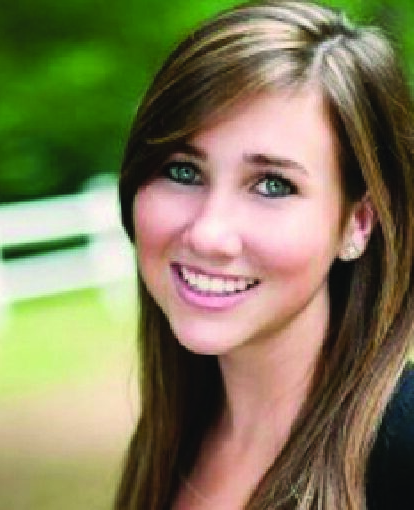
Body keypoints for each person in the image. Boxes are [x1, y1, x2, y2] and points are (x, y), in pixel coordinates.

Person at [115, 1, 414, 508]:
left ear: (358, 223)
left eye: (273, 184)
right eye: (184, 171)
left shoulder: (403, 454)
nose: (208, 234)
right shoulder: (177, 438)